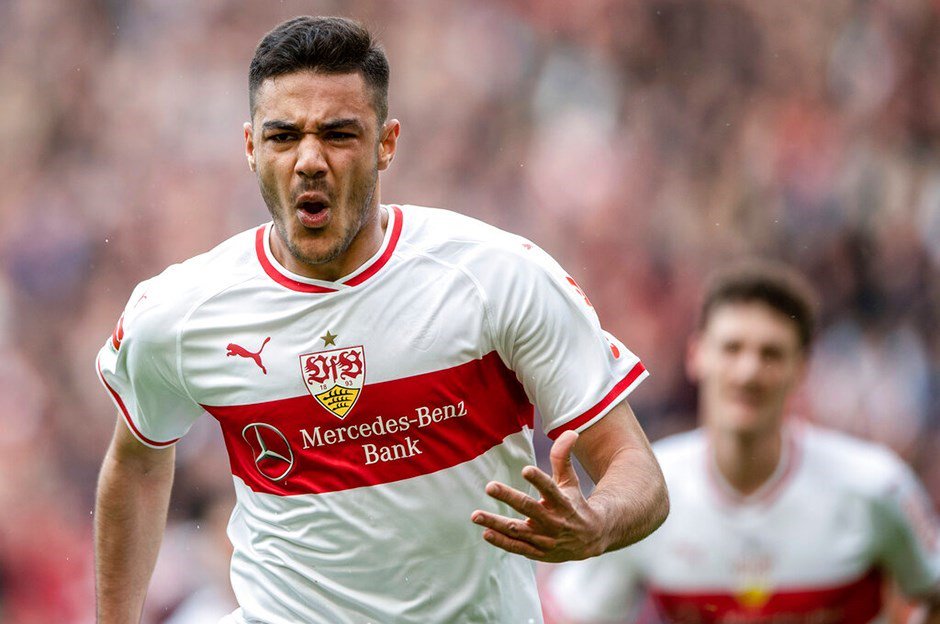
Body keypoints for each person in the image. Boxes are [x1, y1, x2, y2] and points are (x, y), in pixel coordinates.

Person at [93, 15, 668, 624]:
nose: (309, 160)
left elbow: (638, 472)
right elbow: (136, 462)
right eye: (283, 136)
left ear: (386, 143)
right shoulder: (182, 311)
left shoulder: (497, 277)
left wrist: (597, 523)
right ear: (251, 146)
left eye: (338, 134)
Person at [544, 261, 940, 624]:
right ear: (696, 355)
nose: (749, 371)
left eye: (771, 353)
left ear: (802, 368)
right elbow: (571, 615)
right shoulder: (646, 492)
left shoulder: (875, 487)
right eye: (732, 348)